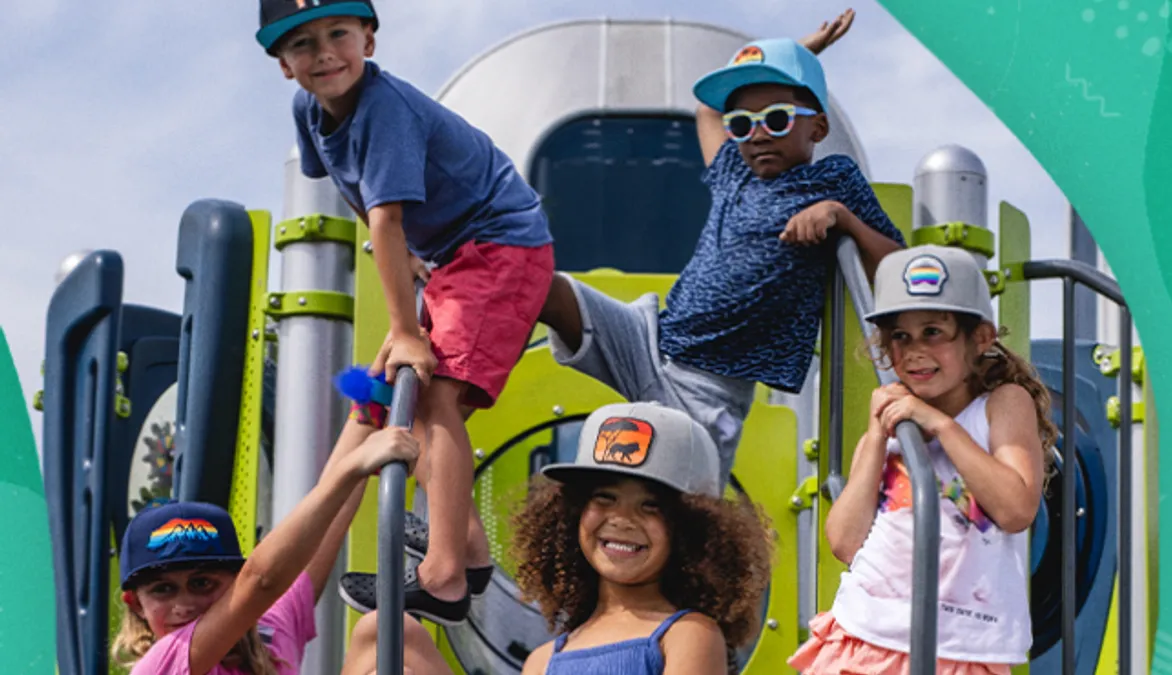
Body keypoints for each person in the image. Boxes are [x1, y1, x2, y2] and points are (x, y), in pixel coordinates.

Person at [256, 0, 554, 625]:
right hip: (452, 255)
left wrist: (404, 329)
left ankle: (444, 576)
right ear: (284, 65)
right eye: (303, 44)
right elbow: (356, 192)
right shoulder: (308, 109)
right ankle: (467, 550)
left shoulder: (384, 109)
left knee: (436, 395)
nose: (325, 53)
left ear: (369, 36)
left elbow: (388, 218)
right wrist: (411, 264)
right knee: (391, 395)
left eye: (339, 33)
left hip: (499, 244)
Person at [537, 10, 906, 489]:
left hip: (710, 391)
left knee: (681, 516)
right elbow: (706, 110)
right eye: (743, 122)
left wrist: (841, 215)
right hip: (651, 338)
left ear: (816, 128)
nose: (755, 134)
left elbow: (896, 265)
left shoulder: (832, 180)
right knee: (540, 287)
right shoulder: (734, 169)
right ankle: (449, 398)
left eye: (775, 119)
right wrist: (795, 54)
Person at [788, 245, 1058, 674]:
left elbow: (1016, 509)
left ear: (981, 339)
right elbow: (843, 542)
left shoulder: (1001, 404)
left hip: (966, 643)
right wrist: (877, 436)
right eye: (900, 336)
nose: (914, 351)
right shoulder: (895, 427)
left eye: (933, 331)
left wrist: (940, 425)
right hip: (866, 633)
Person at [111, 415, 419, 675]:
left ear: (233, 584)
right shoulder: (161, 664)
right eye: (163, 589)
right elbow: (262, 581)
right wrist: (353, 466)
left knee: (390, 631)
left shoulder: (270, 630)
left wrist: (372, 394)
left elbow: (324, 525)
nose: (185, 604)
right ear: (136, 604)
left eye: (202, 583)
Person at [511, 402, 774, 675]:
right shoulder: (541, 662)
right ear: (573, 512)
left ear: (691, 528)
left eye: (652, 505)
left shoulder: (689, 636)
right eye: (604, 497)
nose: (621, 519)